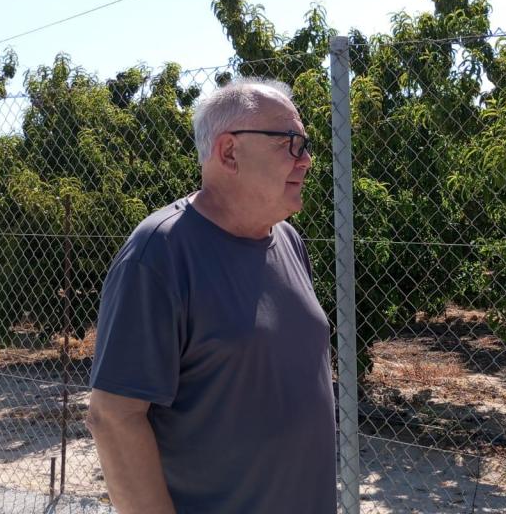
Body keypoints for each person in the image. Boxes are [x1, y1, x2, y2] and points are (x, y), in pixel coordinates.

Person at [86, 78, 337, 514]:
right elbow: (113, 416)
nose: (306, 160)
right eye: (291, 143)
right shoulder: (159, 252)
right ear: (229, 152)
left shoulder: (288, 240)